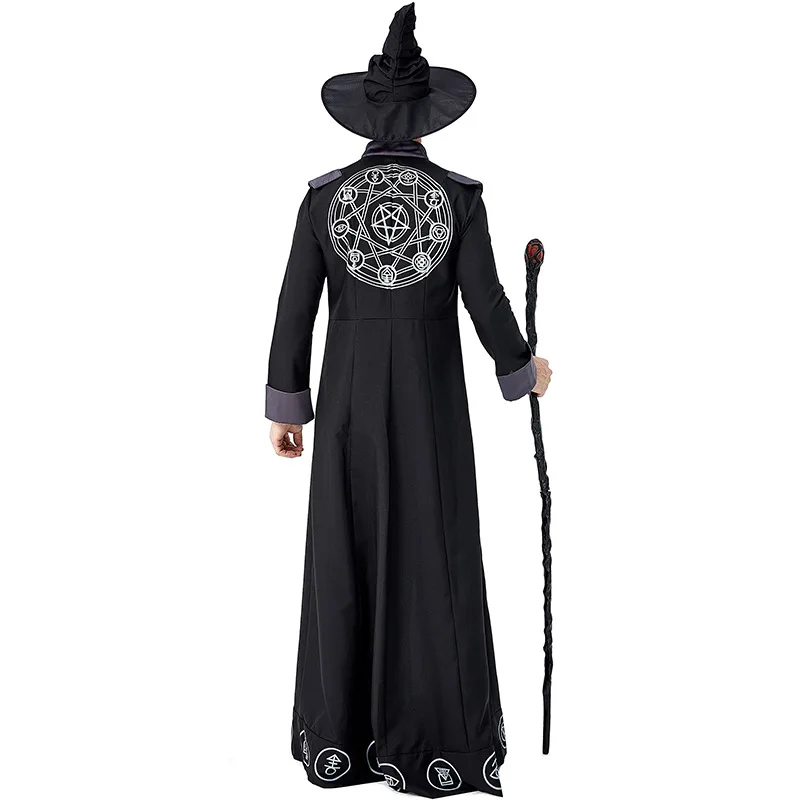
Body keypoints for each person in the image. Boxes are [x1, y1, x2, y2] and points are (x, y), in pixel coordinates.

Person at [265, 4, 552, 796]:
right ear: (430, 115)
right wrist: (523, 369)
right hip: (431, 404)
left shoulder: (323, 198)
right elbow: (487, 302)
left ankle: (345, 741)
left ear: (362, 114)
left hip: (347, 403)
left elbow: (294, 307)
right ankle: (436, 740)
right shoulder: (457, 197)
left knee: (345, 551)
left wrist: (288, 407)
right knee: (436, 553)